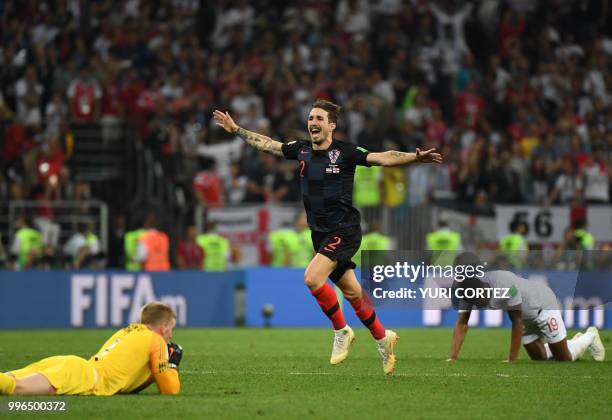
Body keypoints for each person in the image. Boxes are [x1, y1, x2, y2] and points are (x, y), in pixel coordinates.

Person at [213, 99, 442, 375]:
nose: (313, 123)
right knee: (352, 292)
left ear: (331, 125)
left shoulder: (345, 152)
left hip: (344, 230)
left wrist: (415, 157)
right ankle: (384, 338)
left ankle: (341, 331)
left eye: (319, 119)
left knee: (312, 278)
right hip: (320, 233)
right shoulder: (301, 150)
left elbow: (384, 157)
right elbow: (268, 144)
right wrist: (237, 129)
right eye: (311, 118)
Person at [0, 302, 183, 396]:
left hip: (72, 365)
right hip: (85, 377)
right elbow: (170, 391)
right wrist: (172, 365)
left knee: (8, 378)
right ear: (165, 326)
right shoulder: (156, 340)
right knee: (14, 388)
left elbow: (127, 383)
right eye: (171, 329)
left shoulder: (127, 331)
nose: (171, 335)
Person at [447, 265, 605, 363]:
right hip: (525, 316)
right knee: (539, 358)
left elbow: (516, 321)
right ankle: (567, 343)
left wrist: (511, 359)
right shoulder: (468, 292)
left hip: (542, 306)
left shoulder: (506, 284)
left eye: (478, 300)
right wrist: (452, 357)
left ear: (483, 288)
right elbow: (462, 323)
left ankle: (589, 336)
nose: (477, 305)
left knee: (564, 359)